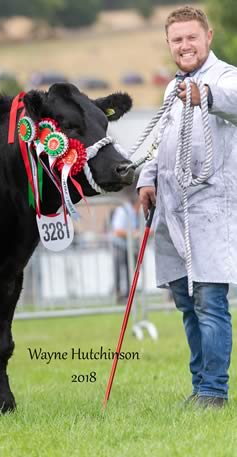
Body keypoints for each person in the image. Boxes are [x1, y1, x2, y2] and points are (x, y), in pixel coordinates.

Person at [137, 5, 237, 409]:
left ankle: (214, 391)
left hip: (210, 211)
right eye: (177, 39)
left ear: (208, 37)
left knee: (210, 302)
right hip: (173, 212)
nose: (185, 45)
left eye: (192, 37)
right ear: (169, 44)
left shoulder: (225, 77)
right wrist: (147, 178)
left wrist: (206, 95)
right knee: (185, 301)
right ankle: (200, 386)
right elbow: (162, 141)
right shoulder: (171, 89)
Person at [109, 193, 142, 304]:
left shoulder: (136, 213)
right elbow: (117, 231)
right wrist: (133, 233)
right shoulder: (123, 211)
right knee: (118, 272)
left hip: (130, 246)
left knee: (130, 272)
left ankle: (129, 296)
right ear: (137, 203)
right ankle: (117, 294)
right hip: (119, 245)